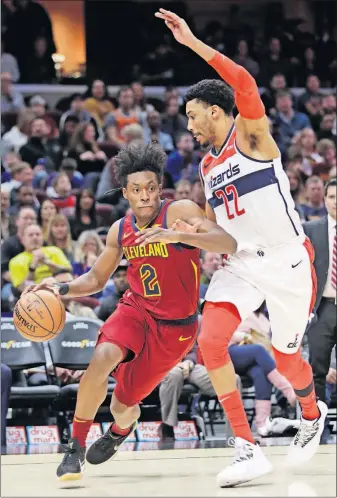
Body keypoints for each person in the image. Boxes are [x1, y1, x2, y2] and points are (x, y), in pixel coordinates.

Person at [155, 7, 327, 488]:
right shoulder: (208, 169)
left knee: (289, 359)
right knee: (211, 341)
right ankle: (246, 447)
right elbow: (219, 235)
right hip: (241, 263)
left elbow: (245, 81)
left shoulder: (250, 136)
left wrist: (191, 43)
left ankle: (312, 413)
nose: (187, 126)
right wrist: (180, 234)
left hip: (289, 261)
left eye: (192, 116)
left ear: (215, 111)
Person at [25, 142, 237, 481]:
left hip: (176, 329)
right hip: (136, 310)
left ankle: (121, 429)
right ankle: (74, 449)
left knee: (122, 406)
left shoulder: (179, 211)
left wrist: (178, 235)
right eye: (136, 189)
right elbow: (96, 278)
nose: (145, 196)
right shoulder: (120, 230)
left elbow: (227, 243)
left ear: (159, 188)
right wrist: (60, 289)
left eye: (151, 188)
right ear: (125, 192)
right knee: (103, 356)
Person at [303, 178, 336, 406]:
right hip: (322, 307)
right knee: (316, 370)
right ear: (325, 200)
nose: (336, 202)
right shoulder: (310, 230)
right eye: (332, 197)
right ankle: (314, 425)